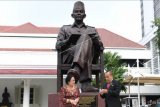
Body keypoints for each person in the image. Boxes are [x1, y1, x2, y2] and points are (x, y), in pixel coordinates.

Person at [56, 1, 104, 92]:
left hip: (89, 55)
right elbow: (57, 45)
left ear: (84, 15)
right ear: (72, 14)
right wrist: (68, 41)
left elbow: (101, 47)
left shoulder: (91, 29)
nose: (79, 13)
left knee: (86, 37)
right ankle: (86, 84)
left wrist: (95, 41)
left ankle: (76, 69)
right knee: (85, 38)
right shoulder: (65, 28)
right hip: (70, 56)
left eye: (81, 12)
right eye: (76, 11)